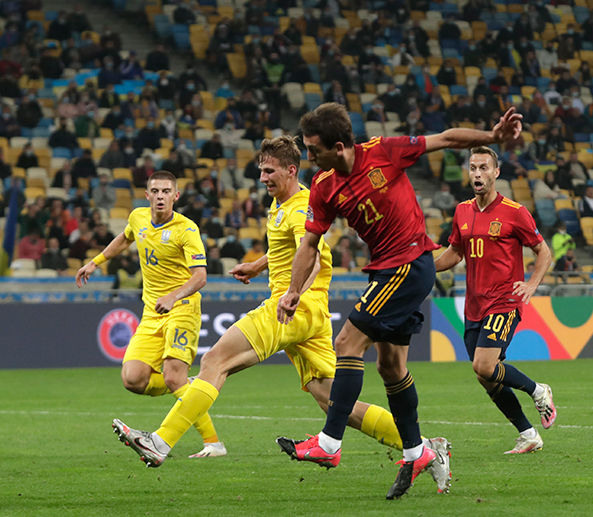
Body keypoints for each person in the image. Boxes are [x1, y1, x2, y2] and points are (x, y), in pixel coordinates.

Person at [106, 139, 449, 488]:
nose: (262, 177)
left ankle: (159, 443)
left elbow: (312, 254)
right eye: (260, 170)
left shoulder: (300, 207)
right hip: (310, 313)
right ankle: (424, 447)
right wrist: (258, 265)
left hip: (293, 308)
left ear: (290, 170)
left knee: (215, 362)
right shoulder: (282, 204)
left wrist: (293, 294)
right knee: (328, 396)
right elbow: (291, 249)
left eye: (269, 171)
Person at [278, 103, 522, 499]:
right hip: (386, 271)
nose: (308, 157)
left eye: (313, 149)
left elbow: (444, 139)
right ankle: (417, 451)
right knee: (391, 367)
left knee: (346, 344)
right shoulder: (324, 186)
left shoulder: (384, 152)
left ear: (339, 146)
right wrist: (293, 289)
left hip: (410, 264)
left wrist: (493, 138)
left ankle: (329, 443)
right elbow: (309, 243)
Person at [77, 171, 226, 459]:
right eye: (155, 191)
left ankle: (213, 443)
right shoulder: (138, 217)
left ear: (176, 196)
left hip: (182, 308)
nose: (160, 196)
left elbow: (200, 277)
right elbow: (124, 238)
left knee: (172, 377)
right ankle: (189, 387)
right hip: (152, 312)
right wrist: (95, 262)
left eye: (166, 191)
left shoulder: (187, 229)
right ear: (147, 195)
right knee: (133, 379)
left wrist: (173, 296)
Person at [434, 146, 556, 454]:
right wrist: (424, 266)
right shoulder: (462, 211)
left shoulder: (515, 211)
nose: (477, 174)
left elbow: (544, 251)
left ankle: (538, 390)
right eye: (473, 168)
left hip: (503, 302)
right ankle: (528, 434)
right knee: (485, 376)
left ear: (496, 172)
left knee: (484, 365)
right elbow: (456, 253)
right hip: (473, 306)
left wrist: (532, 283)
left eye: (484, 168)